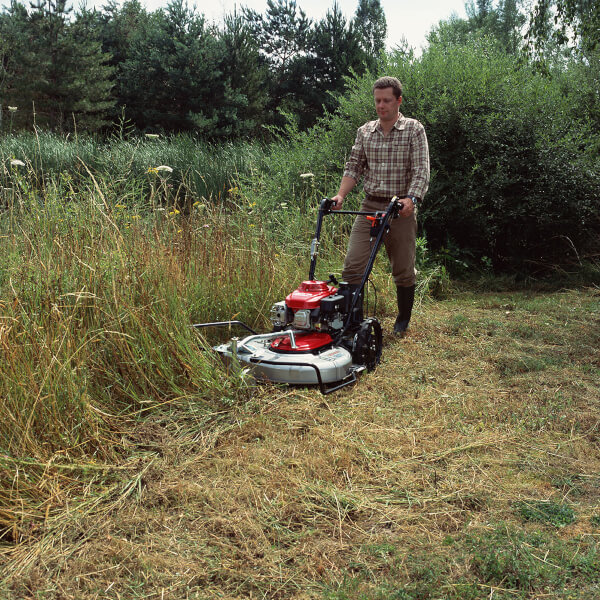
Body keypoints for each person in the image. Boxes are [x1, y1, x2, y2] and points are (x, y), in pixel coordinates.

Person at [331, 76, 430, 336]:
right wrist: (340, 196)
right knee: (353, 265)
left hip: (400, 208)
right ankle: (352, 323)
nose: (381, 105)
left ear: (398, 101)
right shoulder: (365, 132)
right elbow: (354, 167)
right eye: (377, 100)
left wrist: (412, 199)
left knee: (403, 268)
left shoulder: (414, 129)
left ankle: (403, 319)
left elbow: (421, 170)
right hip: (370, 206)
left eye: (386, 100)